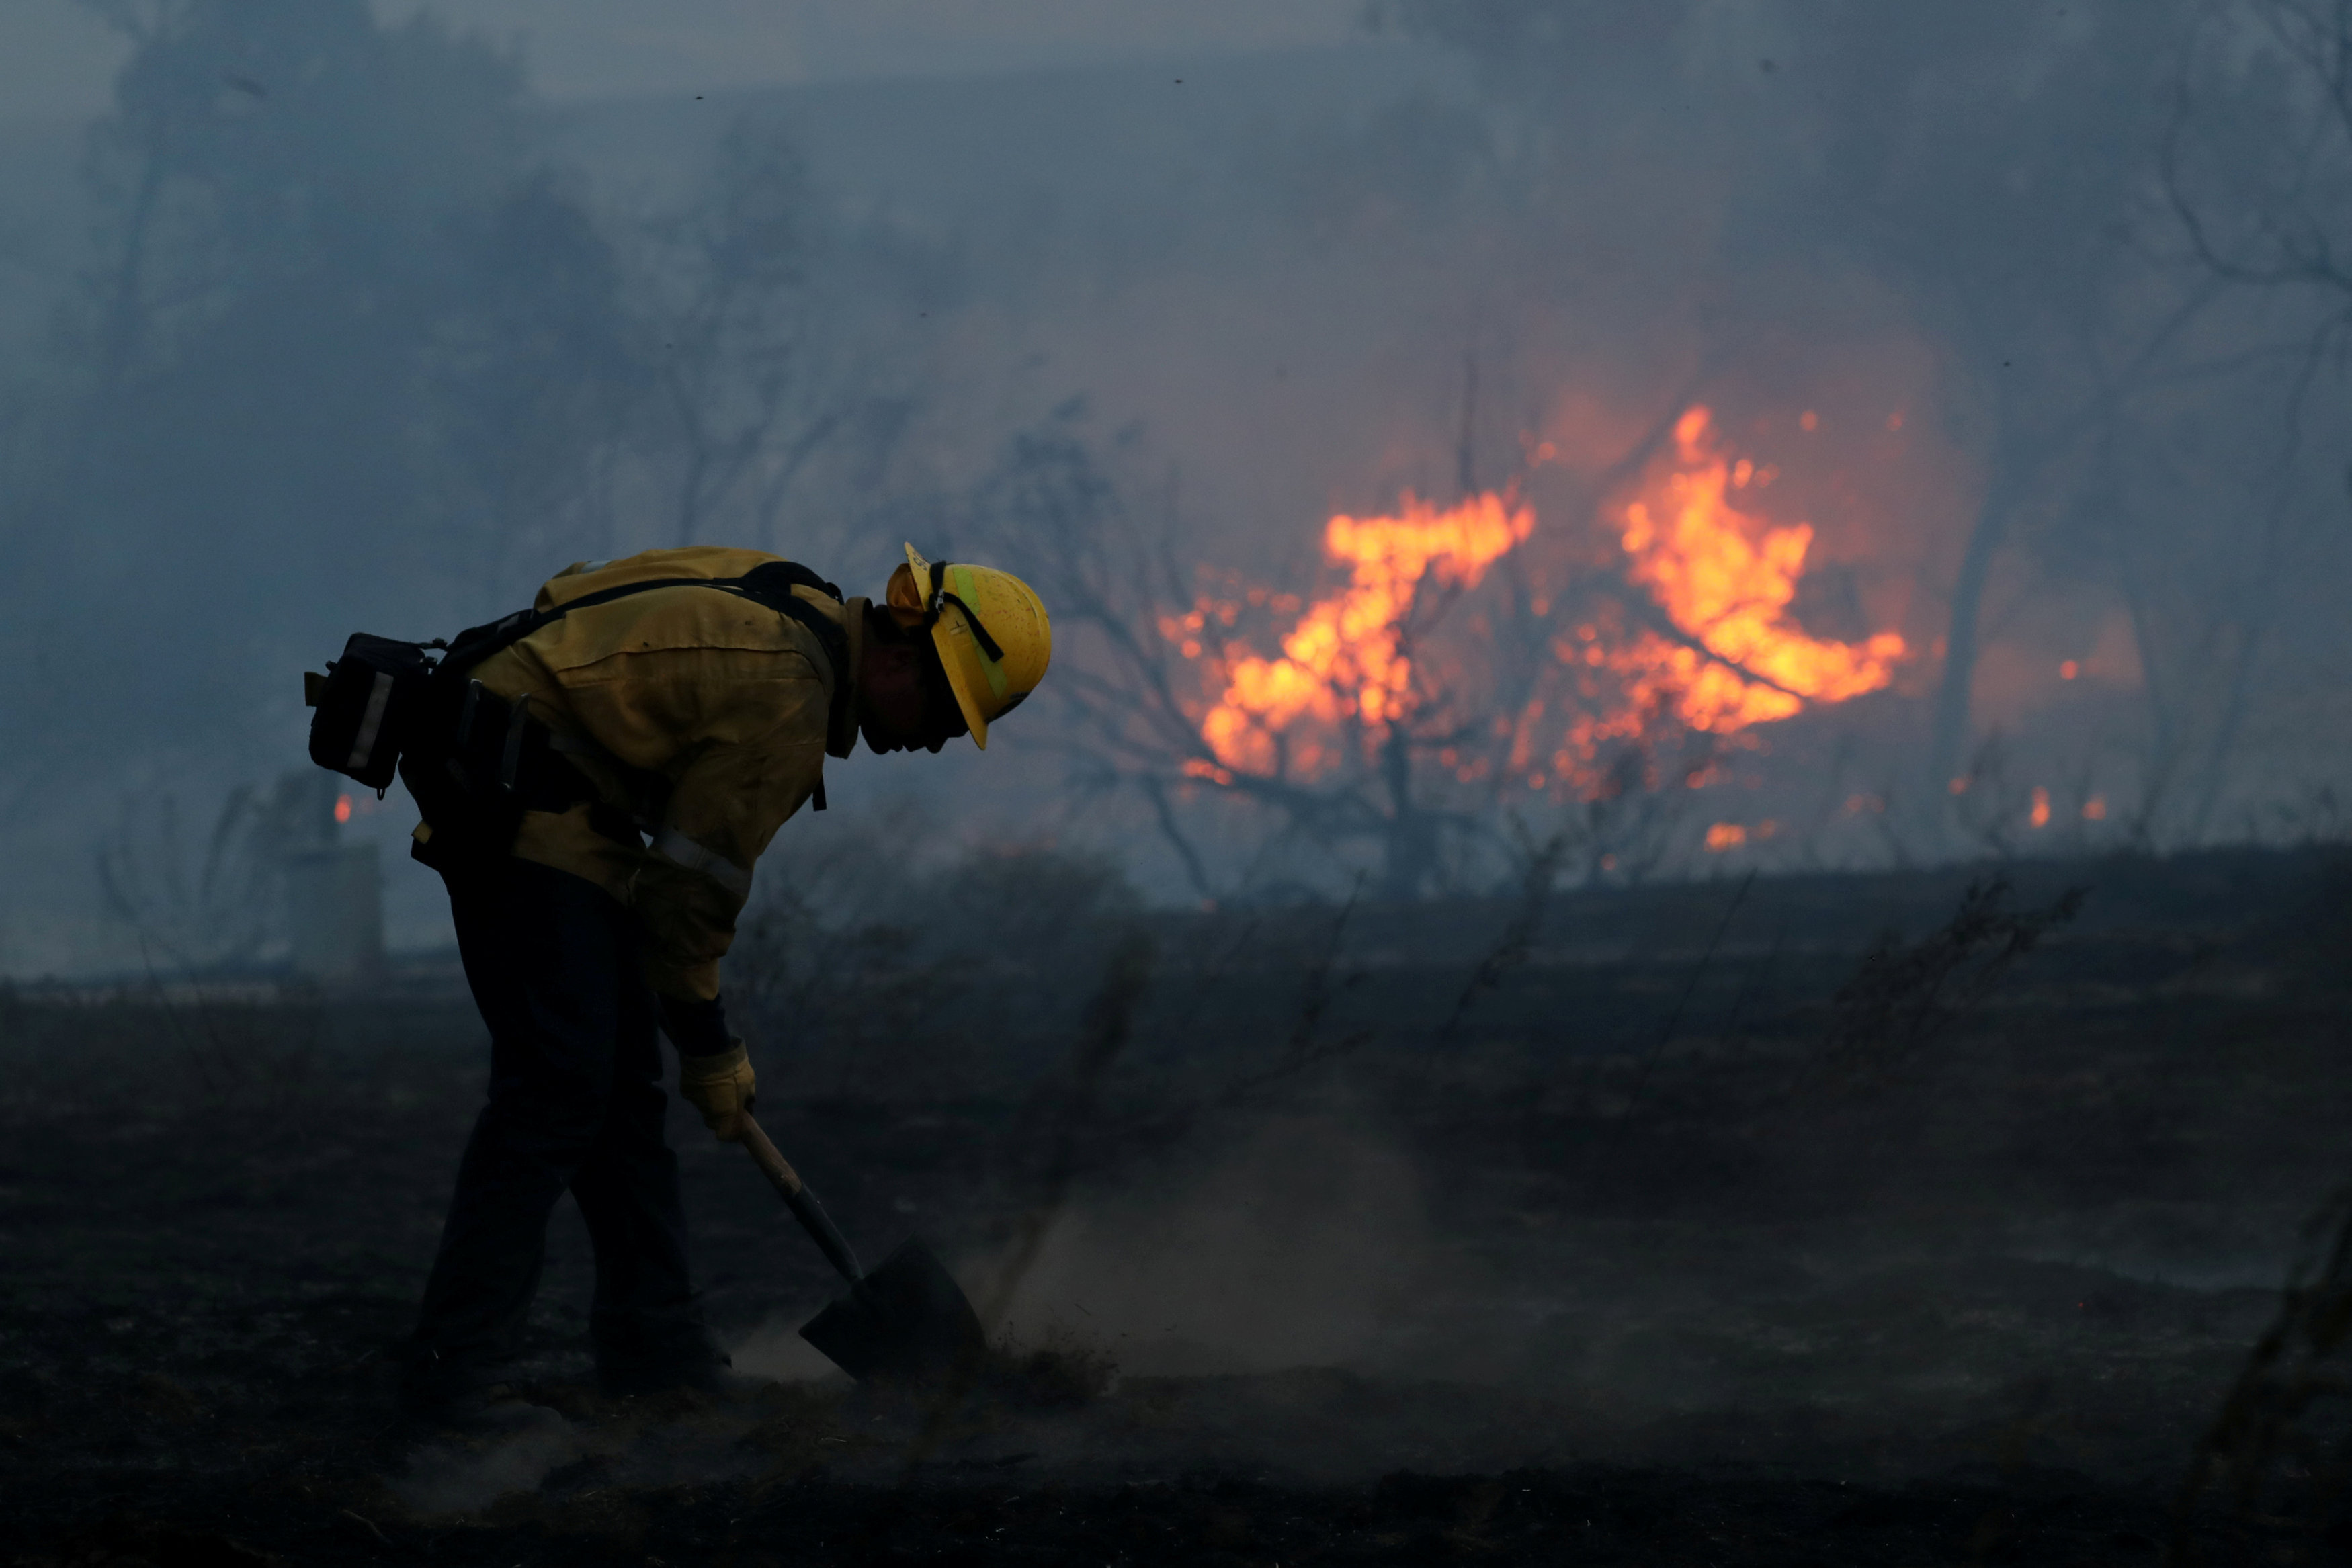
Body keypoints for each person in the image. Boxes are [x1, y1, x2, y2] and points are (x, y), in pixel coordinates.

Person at [395, 543, 1049, 1418]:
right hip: (522, 799)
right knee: (556, 1090)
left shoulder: (796, 599)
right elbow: (688, 896)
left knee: (617, 1094)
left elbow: (570, 591)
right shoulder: (788, 700)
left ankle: (657, 1353)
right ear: (902, 651)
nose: (934, 738)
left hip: (540, 785)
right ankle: (453, 1379)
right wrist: (710, 1045)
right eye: (943, 708)